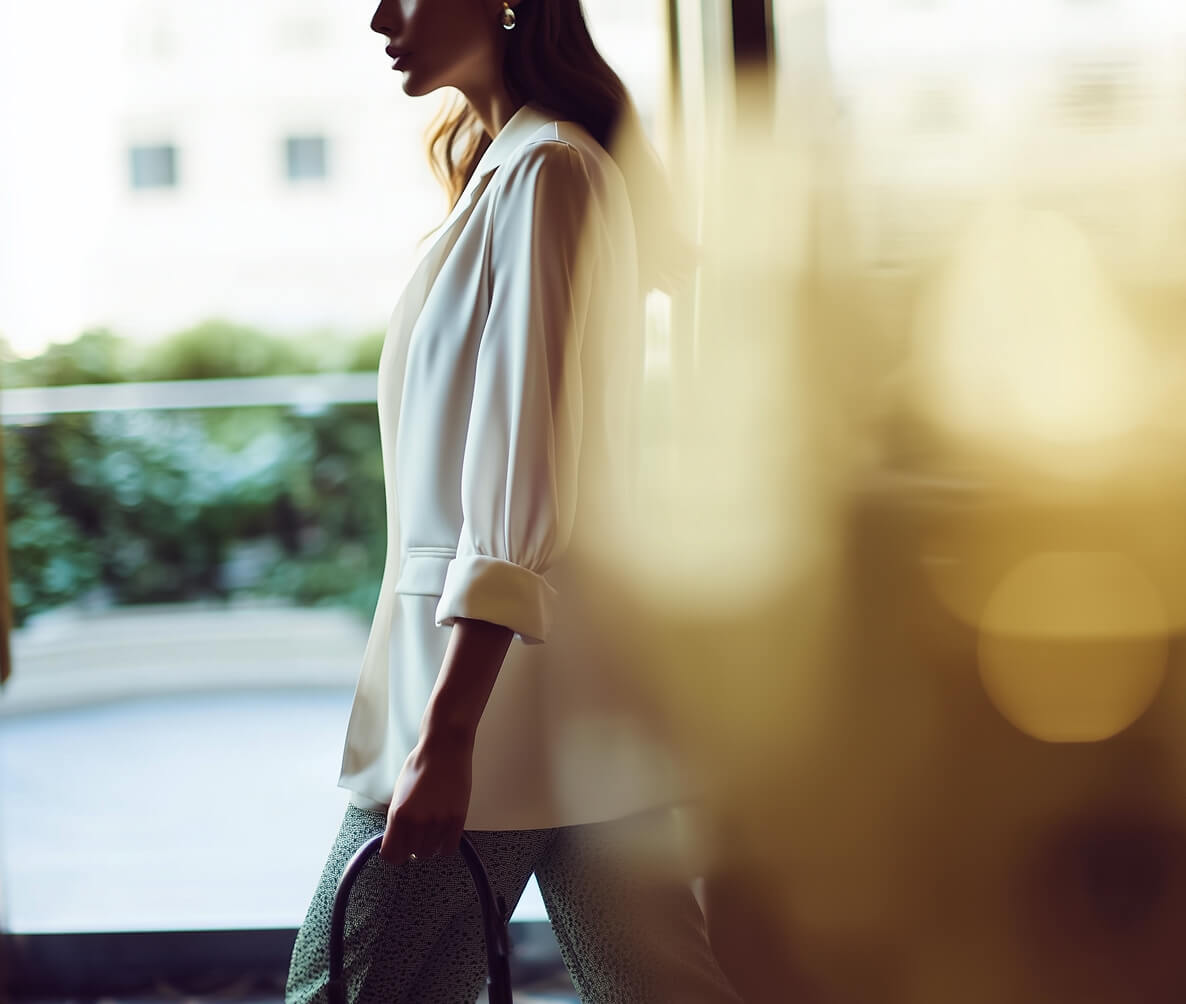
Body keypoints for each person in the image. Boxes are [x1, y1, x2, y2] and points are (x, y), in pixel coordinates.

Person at [286, 1, 744, 1002]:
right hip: (561, 686)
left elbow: (522, 472)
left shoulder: (550, 172)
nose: (378, 16)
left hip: (492, 698)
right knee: (658, 984)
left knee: (343, 985)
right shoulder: (521, 170)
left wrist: (448, 736)